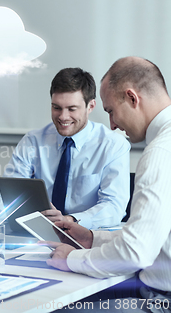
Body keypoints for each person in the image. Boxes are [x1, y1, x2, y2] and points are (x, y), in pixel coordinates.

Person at [47, 57, 171, 312]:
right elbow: (153, 236)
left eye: (111, 111)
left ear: (132, 98)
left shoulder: (160, 152)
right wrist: (93, 238)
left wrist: (72, 258)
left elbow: (136, 252)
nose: (113, 124)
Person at [0, 67, 130, 229]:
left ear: (90, 106)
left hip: (87, 237)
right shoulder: (33, 141)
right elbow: (5, 200)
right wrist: (25, 218)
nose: (63, 117)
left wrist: (70, 220)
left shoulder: (113, 145)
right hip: (40, 235)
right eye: (56, 107)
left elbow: (114, 207)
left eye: (72, 109)